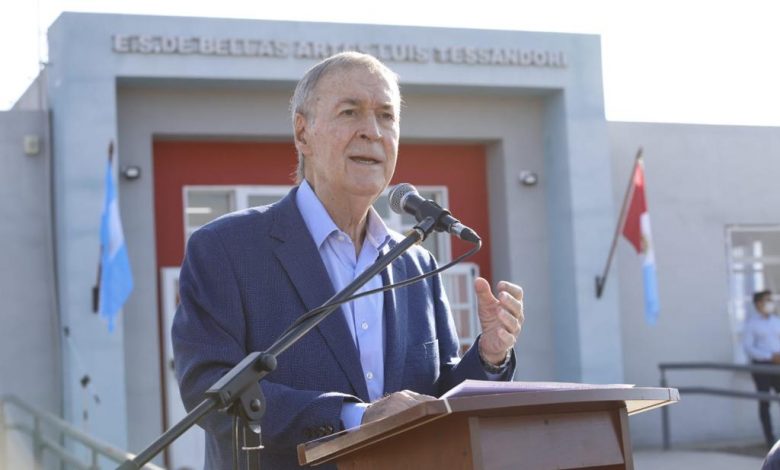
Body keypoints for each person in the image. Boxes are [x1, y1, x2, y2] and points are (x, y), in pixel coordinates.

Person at [172, 51, 524, 469]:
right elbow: (211, 389)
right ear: (303, 133)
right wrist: (353, 417)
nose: (372, 131)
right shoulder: (225, 248)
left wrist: (489, 357)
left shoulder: (417, 264)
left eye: (386, 116)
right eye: (350, 112)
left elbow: (437, 398)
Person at [743, 289, 780, 447]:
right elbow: (748, 347)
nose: (770, 303)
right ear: (758, 303)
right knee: (765, 402)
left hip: (778, 365)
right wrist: (769, 356)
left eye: (771, 300)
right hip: (762, 366)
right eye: (767, 300)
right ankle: (769, 439)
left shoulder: (776, 321)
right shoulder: (752, 324)